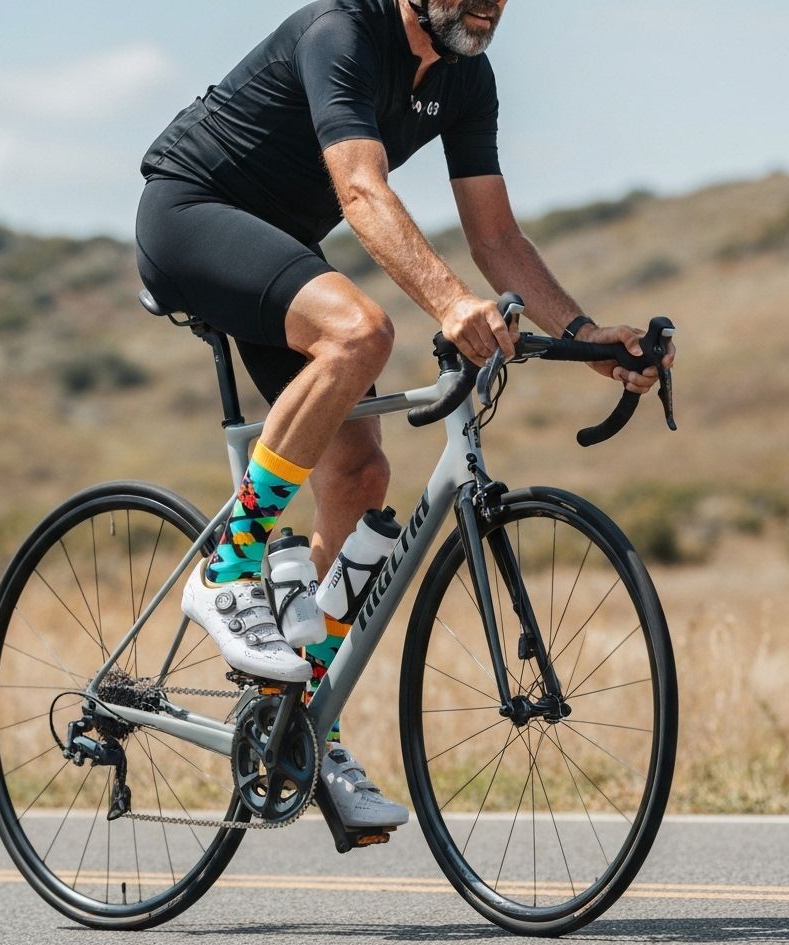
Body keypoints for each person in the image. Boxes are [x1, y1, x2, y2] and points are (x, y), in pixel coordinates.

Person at [135, 0, 675, 830]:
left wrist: (583, 333)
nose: (489, 4)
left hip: (281, 249)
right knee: (363, 332)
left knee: (361, 473)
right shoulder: (342, 32)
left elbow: (495, 236)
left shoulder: (467, 77)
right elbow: (359, 187)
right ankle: (230, 567)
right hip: (191, 213)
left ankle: (298, 727)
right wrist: (452, 302)